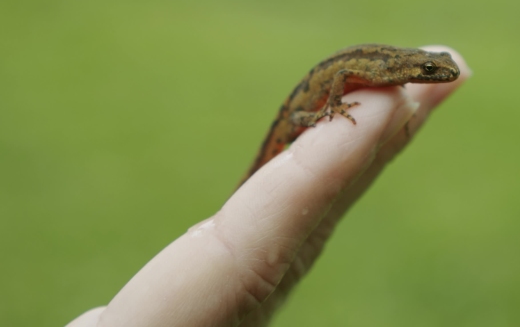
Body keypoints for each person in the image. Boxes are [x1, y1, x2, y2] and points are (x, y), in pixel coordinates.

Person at [67, 47, 469, 327]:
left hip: (309, 102)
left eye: (434, 71)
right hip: (298, 110)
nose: (436, 74)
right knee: (292, 138)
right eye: (431, 71)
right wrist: (328, 108)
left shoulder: (394, 72)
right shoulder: (383, 71)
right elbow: (344, 74)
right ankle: (305, 123)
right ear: (410, 68)